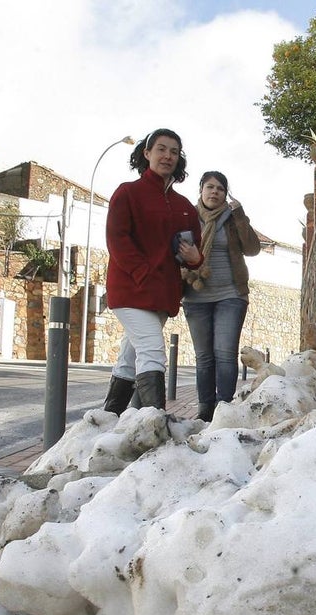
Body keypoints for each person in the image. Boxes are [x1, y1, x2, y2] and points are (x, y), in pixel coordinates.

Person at [102, 129, 204, 413]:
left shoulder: (184, 206)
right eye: (161, 149)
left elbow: (193, 250)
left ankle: (108, 418)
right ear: (146, 153)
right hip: (132, 289)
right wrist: (143, 273)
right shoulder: (128, 193)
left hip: (162, 294)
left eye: (174, 151)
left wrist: (196, 258)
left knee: (128, 357)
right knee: (152, 350)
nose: (168, 155)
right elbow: (117, 240)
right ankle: (154, 423)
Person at [181, 171, 262, 422]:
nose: (214, 192)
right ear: (201, 190)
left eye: (220, 189)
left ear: (226, 194)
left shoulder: (232, 218)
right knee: (204, 356)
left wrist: (239, 216)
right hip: (196, 293)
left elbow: (252, 248)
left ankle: (224, 408)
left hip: (230, 293)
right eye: (210, 187)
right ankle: (205, 409)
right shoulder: (187, 217)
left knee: (225, 353)